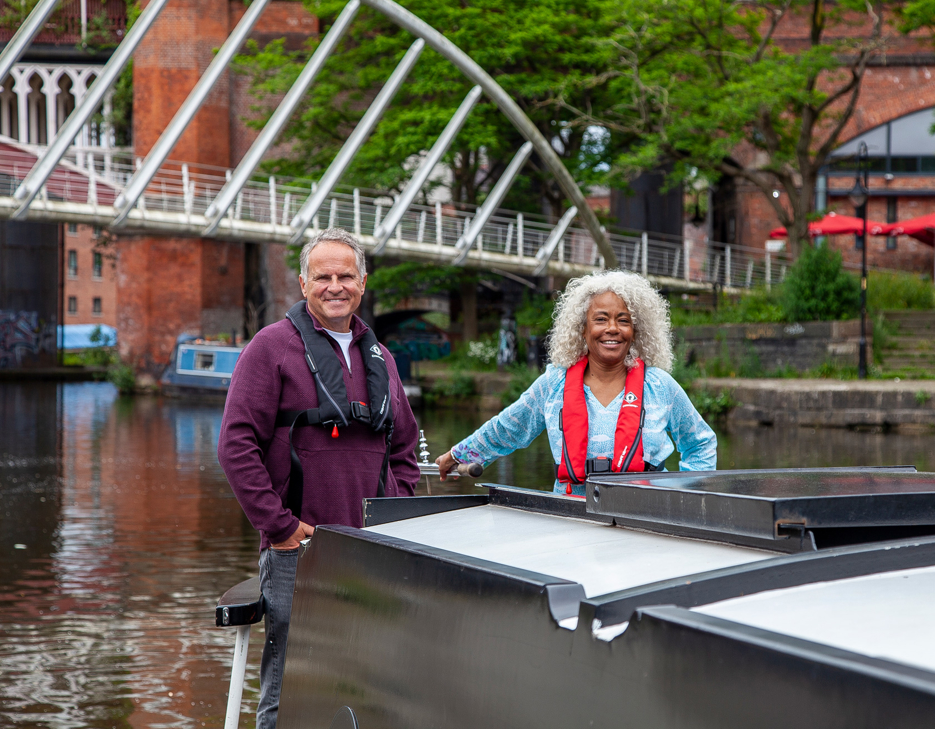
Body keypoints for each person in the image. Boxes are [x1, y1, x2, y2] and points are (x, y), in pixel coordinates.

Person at [218, 228, 419, 729]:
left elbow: (405, 446)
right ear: (304, 282)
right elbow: (235, 446)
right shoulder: (270, 349)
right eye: (323, 276)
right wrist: (279, 527)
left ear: (363, 282)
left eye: (346, 276)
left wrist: (396, 513)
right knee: (289, 683)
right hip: (297, 551)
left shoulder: (381, 357)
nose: (335, 286)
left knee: (367, 678)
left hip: (372, 548)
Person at [436, 270, 716, 494]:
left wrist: (682, 495)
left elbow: (700, 444)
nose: (612, 329)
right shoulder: (553, 384)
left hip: (646, 515)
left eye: (623, 321)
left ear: (635, 331)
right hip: (571, 517)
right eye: (601, 319)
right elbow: (509, 428)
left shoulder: (660, 386)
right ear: (583, 329)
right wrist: (459, 454)